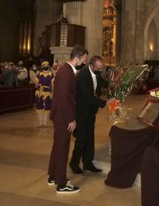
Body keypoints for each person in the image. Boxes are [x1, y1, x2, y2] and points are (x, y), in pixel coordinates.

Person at [47, 46, 88, 194]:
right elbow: (64, 98)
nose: (84, 63)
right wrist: (71, 119)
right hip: (63, 117)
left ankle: (53, 175)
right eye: (84, 60)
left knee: (58, 147)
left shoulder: (65, 70)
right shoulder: (67, 72)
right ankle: (61, 184)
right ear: (76, 58)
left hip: (60, 115)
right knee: (63, 148)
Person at [69, 55, 117, 175]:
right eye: (99, 68)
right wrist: (105, 102)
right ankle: (74, 163)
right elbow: (88, 97)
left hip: (90, 112)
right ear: (92, 65)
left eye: (102, 68)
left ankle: (88, 163)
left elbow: (102, 82)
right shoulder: (82, 77)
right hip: (81, 112)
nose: (101, 70)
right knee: (81, 138)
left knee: (90, 138)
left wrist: (114, 85)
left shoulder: (95, 72)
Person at [35, 61, 54, 128]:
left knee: (47, 108)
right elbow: (36, 84)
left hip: (48, 93)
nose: (45, 66)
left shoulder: (51, 74)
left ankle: (44, 122)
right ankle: (40, 122)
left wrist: (52, 93)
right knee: (40, 108)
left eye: (46, 65)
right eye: (44, 65)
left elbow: (53, 85)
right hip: (39, 93)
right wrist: (38, 86)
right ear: (42, 66)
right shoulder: (39, 74)